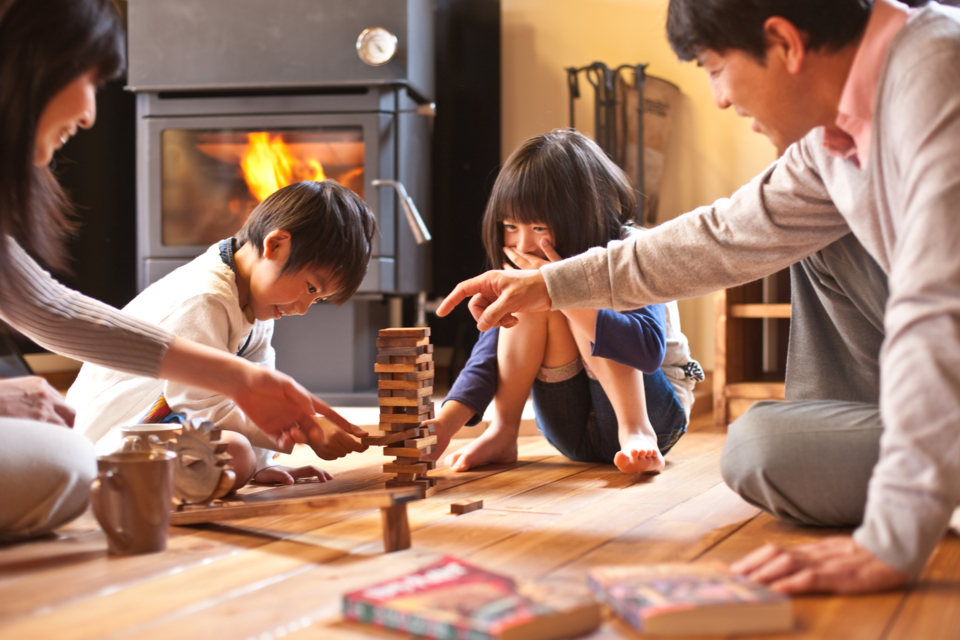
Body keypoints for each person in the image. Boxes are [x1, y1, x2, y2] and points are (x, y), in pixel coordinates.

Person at [437, 0, 960, 595]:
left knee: (762, 447)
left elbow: (939, 310)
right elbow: (721, 237)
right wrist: (547, 285)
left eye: (714, 68)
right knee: (763, 449)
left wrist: (892, 537)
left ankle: (926, 464)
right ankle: (903, 446)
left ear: (784, 43)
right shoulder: (831, 143)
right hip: (920, 397)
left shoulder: (939, 70)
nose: (718, 99)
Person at [0, 0, 361, 541]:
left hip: (132, 430)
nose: (92, 114)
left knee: (70, 462)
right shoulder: (206, 295)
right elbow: (198, 404)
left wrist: (251, 391)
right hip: (118, 432)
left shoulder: (253, 310)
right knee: (69, 466)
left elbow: (51, 309)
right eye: (88, 77)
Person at [67, 180, 375, 489]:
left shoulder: (257, 302)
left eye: (317, 298)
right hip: (112, 438)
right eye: (310, 288)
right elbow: (201, 405)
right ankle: (121, 483)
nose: (305, 308)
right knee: (234, 453)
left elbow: (259, 389)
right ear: (276, 246)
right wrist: (305, 433)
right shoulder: (204, 298)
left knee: (239, 456)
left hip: (170, 421)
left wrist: (263, 462)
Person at [426, 130, 700, 475]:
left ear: (582, 213)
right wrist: (445, 425)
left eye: (539, 227)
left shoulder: (631, 250)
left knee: (569, 290)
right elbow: (489, 352)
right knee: (534, 300)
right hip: (568, 429)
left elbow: (645, 351)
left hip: (655, 419)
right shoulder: (522, 263)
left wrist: (559, 287)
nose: (523, 244)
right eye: (510, 226)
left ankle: (634, 429)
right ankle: (502, 432)